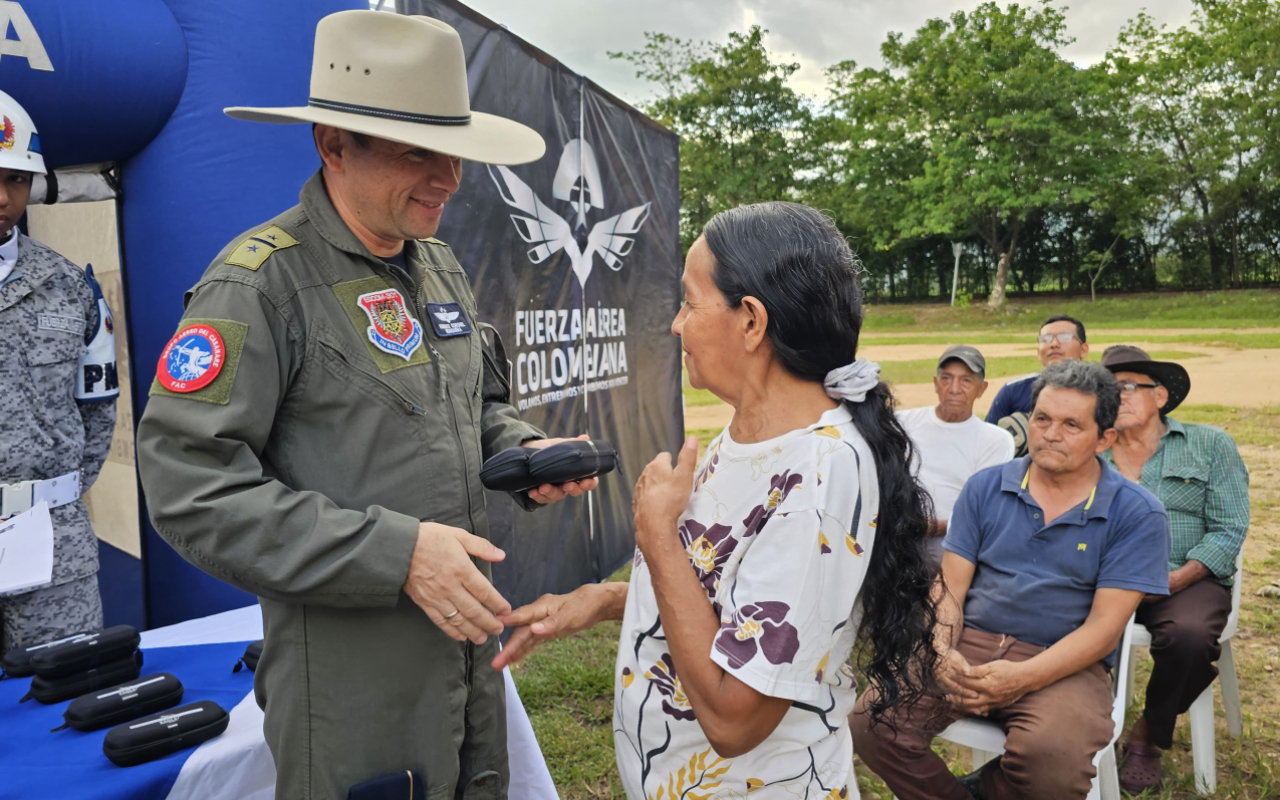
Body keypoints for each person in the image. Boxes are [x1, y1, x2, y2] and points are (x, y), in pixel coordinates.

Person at [135, 12, 592, 798]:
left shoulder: (438, 266)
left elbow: (467, 410)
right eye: (418, 152)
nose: (448, 178)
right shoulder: (258, 285)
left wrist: (521, 453)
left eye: (452, 151)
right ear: (334, 145)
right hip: (351, 691)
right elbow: (189, 487)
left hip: (464, 665)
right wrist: (396, 555)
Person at [492, 202, 939, 800]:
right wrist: (603, 601)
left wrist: (655, 531)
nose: (675, 325)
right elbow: (730, 604)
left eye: (690, 302)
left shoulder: (819, 479)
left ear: (751, 322)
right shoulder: (750, 437)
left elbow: (735, 719)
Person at [852, 360, 1172, 800]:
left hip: (1063, 660)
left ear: (1105, 439)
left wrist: (1022, 678)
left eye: (1071, 424)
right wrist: (941, 649)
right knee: (872, 721)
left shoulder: (1137, 512)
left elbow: (1103, 630)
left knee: (1052, 765)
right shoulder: (985, 487)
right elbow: (950, 587)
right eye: (1042, 418)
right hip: (968, 640)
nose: (1050, 433)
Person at [1099, 345, 1250, 794]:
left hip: (1187, 579)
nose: (1117, 395)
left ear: (1160, 395)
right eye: (1109, 389)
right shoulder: (1090, 450)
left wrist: (1179, 577)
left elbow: (1229, 527)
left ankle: (1148, 734)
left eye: (1128, 386)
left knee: (1188, 637)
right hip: (1105, 581)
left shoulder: (1210, 443)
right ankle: (1075, 730)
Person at [0, 90, 118, 650]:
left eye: (17, 180)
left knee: (61, 709)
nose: (3, 197)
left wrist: (50, 497)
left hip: (53, 552)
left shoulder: (71, 288)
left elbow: (98, 412)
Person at [897, 345, 1015, 571]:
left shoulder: (995, 440)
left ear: (982, 389)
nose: (954, 389)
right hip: (898, 535)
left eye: (966, 381)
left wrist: (939, 527)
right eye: (946, 378)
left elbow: (987, 508)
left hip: (954, 542)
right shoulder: (903, 423)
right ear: (935, 383)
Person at [986, 315, 1089, 455]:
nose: (1053, 344)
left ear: (1084, 349)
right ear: (1038, 352)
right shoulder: (1013, 390)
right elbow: (986, 443)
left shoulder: (1100, 391)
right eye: (1045, 339)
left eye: (1064, 337)